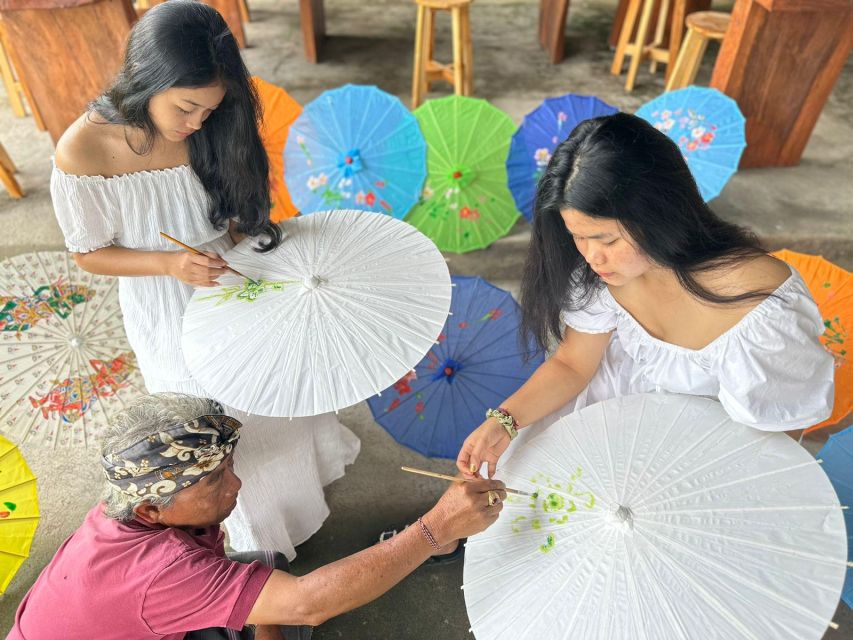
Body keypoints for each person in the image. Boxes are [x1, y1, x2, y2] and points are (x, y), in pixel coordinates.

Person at [50, 0, 360, 560]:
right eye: (187, 108)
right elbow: (89, 254)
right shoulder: (83, 147)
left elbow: (233, 208)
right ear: (149, 78)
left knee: (276, 398)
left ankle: (298, 498)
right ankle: (257, 538)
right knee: (216, 421)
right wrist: (168, 264)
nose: (196, 125)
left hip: (232, 274)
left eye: (209, 112)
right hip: (162, 296)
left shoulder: (214, 123)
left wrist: (248, 242)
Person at [457, 112, 835, 478]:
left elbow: (774, 435)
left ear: (658, 214)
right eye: (577, 235)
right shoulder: (600, 273)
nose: (591, 256)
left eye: (606, 239)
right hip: (610, 417)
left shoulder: (758, 306)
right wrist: (504, 422)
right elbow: (573, 364)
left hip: (703, 458)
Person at [9, 393, 505, 639]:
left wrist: (264, 617)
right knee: (294, 600)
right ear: (150, 509)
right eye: (214, 480)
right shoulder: (160, 573)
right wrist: (434, 528)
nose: (236, 484)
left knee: (267, 573)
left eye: (228, 467)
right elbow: (310, 604)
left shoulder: (131, 506)